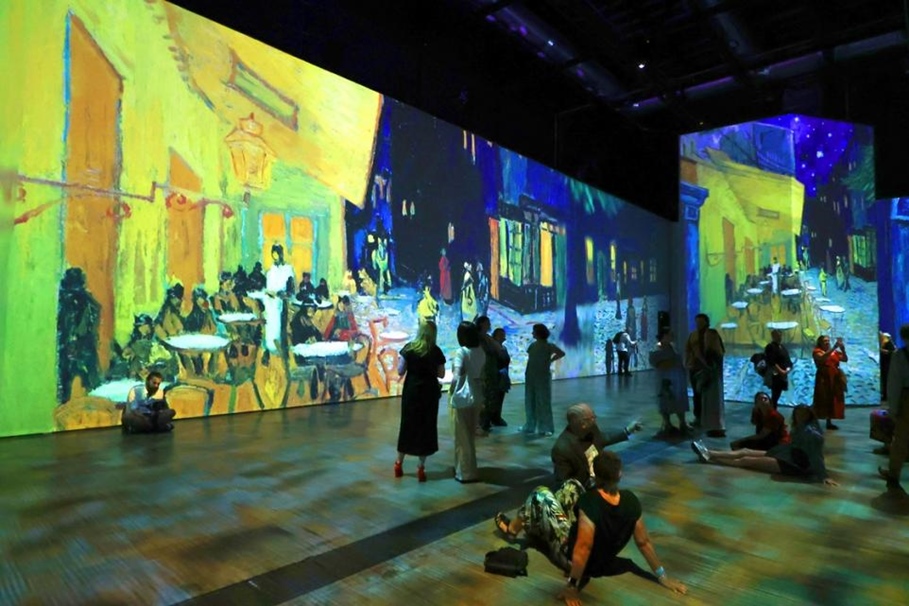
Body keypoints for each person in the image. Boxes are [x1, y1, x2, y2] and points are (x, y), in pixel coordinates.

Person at [558, 452, 688, 605]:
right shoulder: (631, 501)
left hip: (578, 561)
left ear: (596, 476)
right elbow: (644, 542)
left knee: (554, 492)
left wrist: (572, 586)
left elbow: (583, 548)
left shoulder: (589, 502)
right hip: (605, 562)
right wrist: (663, 577)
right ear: (620, 475)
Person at [691, 405, 837, 486]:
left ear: (808, 415)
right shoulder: (800, 427)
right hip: (787, 453)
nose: (799, 416)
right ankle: (709, 452)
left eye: (803, 414)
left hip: (793, 463)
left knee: (746, 460)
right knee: (746, 451)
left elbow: (816, 454)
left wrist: (823, 475)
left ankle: (710, 458)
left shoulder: (810, 432)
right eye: (797, 413)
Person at [394, 320, 446, 482]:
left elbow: (400, 371)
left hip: (412, 393)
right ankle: (421, 468)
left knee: (407, 426)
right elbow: (441, 374)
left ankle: (399, 463)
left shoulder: (409, 348)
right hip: (429, 393)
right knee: (426, 428)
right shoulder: (436, 351)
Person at [551, 403, 642, 489]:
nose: (595, 419)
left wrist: (627, 431)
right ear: (583, 424)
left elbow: (603, 438)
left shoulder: (591, 429)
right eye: (592, 418)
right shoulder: (562, 449)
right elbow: (563, 482)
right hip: (585, 489)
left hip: (599, 481)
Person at [450, 321, 486, 482]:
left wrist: (452, 389)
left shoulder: (462, 352)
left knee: (462, 436)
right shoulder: (480, 351)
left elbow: (456, 375)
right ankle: (469, 468)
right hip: (477, 394)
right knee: (470, 435)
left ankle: (465, 472)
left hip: (464, 396)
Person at [684, 313, 726, 436]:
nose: (699, 324)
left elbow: (718, 351)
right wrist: (689, 362)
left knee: (709, 395)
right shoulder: (693, 335)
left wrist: (709, 364)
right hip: (696, 369)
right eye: (697, 322)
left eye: (701, 322)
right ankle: (698, 417)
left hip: (709, 370)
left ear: (706, 322)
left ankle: (710, 420)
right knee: (697, 394)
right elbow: (688, 349)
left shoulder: (712, 334)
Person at [880, 324, 909, 489]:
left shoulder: (900, 355)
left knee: (901, 439)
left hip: (907, 399)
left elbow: (894, 384)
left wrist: (893, 409)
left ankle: (893, 473)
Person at [523, 324, 566, 436]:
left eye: (534, 331)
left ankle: (545, 427)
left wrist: (551, 360)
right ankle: (530, 425)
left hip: (541, 376)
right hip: (532, 375)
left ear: (538, 333)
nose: (532, 333)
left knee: (543, 401)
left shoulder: (548, 346)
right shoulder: (533, 345)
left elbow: (561, 353)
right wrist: (550, 360)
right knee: (531, 401)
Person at [648, 327, 691, 435]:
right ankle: (667, 424)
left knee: (679, 399)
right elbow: (658, 363)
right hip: (665, 378)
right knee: (665, 400)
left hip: (677, 377)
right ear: (664, 335)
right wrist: (671, 362)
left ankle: (682, 422)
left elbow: (678, 360)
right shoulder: (657, 349)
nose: (672, 336)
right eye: (670, 334)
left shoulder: (673, 347)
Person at [812, 335, 848, 430]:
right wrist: (834, 347)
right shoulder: (817, 352)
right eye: (825, 341)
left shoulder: (834, 352)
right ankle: (814, 419)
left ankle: (829, 421)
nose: (827, 342)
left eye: (828, 340)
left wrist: (843, 349)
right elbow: (823, 358)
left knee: (832, 398)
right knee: (823, 398)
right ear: (820, 342)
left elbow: (845, 359)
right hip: (823, 378)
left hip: (834, 378)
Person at [476, 315, 504, 432]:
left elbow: (498, 350)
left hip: (491, 369)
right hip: (484, 370)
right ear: (482, 324)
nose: (489, 325)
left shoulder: (487, 338)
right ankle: (482, 421)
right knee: (485, 396)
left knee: (490, 396)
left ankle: (486, 420)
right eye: (487, 323)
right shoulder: (480, 338)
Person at [487, 327, 511, 427]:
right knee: (493, 398)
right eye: (500, 335)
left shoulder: (504, 348)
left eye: (503, 335)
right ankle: (490, 418)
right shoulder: (492, 349)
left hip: (503, 377)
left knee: (500, 397)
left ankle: (497, 417)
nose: (503, 337)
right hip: (495, 376)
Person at [764, 329, 793, 408]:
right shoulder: (770, 347)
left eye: (780, 336)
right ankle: (771, 411)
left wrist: (787, 370)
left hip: (783, 375)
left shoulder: (782, 347)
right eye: (777, 336)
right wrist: (781, 371)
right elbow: (771, 361)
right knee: (775, 395)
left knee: (776, 395)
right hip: (775, 375)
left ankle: (772, 410)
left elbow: (788, 361)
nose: (779, 337)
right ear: (773, 336)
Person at [880, 332, 896, 402]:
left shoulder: (889, 344)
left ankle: (886, 395)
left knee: (887, 380)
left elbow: (891, 352)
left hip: (887, 365)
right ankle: (885, 394)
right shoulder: (883, 344)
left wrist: (882, 350)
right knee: (884, 380)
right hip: (884, 364)